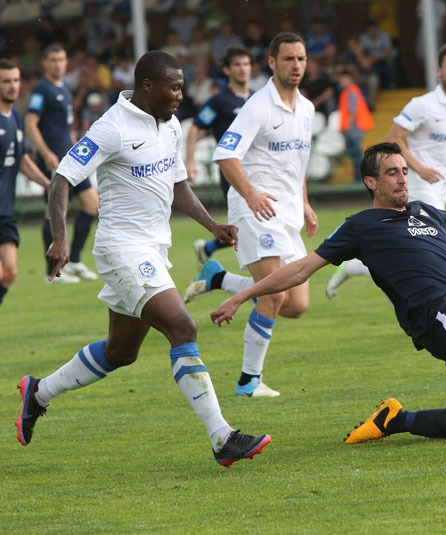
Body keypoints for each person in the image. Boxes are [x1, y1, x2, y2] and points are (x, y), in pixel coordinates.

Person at [211, 142, 446, 448]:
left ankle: (396, 420)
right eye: (391, 172)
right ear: (371, 182)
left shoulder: (427, 212)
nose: (402, 179)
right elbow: (301, 268)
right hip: (435, 312)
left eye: (404, 171)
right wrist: (243, 295)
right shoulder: (361, 226)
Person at [14, 50, 271, 468]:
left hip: (153, 249)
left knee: (121, 352)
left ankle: (38, 393)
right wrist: (60, 238)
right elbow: (62, 179)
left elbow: (178, 186)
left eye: (182, 87)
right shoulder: (111, 127)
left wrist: (212, 226)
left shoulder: (170, 124)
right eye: (174, 88)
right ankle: (222, 437)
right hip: (122, 249)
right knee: (182, 326)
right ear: (148, 86)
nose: (181, 95)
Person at [184, 33, 318, 398]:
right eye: (288, 59)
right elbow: (226, 155)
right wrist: (252, 194)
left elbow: (298, 164)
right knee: (273, 297)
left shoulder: (307, 109)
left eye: (301, 59)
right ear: (272, 63)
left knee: (297, 305)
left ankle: (218, 278)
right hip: (254, 208)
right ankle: (248, 381)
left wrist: (304, 203)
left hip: (287, 211)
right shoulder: (257, 106)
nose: (296, 65)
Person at [326, 42, 446, 299]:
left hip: (440, 191)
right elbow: (393, 138)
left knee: (407, 255)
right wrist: (419, 168)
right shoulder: (422, 104)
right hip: (415, 188)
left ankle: (355, 267)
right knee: (428, 255)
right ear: (439, 70)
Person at [26, 44, 99, 284]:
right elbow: (30, 124)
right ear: (45, 63)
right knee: (54, 212)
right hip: (54, 159)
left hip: (71, 157)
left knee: (92, 204)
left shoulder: (64, 87)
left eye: (61, 60)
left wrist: (75, 145)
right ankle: (53, 270)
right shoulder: (42, 89)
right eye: (53, 60)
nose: (58, 64)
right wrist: (45, 153)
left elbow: (63, 128)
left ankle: (75, 260)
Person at [185, 45, 256, 269]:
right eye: (237, 64)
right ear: (227, 70)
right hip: (231, 170)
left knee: (256, 221)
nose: (242, 69)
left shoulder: (258, 99)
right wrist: (190, 161)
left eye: (246, 64)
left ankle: (208, 249)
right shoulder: (219, 101)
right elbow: (196, 127)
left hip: (258, 167)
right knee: (247, 222)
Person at [0, 60, 52, 306]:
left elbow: (22, 161)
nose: (12, 86)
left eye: (15, 80)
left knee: (10, 272)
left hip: (5, 210)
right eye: (6, 81)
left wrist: (50, 185)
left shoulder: (17, 119)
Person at [337, 69, 374, 183]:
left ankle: (359, 179)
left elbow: (352, 110)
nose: (341, 82)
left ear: (350, 79)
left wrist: (348, 126)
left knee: (356, 155)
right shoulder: (350, 91)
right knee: (355, 155)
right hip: (354, 127)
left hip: (354, 128)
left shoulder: (351, 91)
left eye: (343, 79)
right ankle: (359, 178)